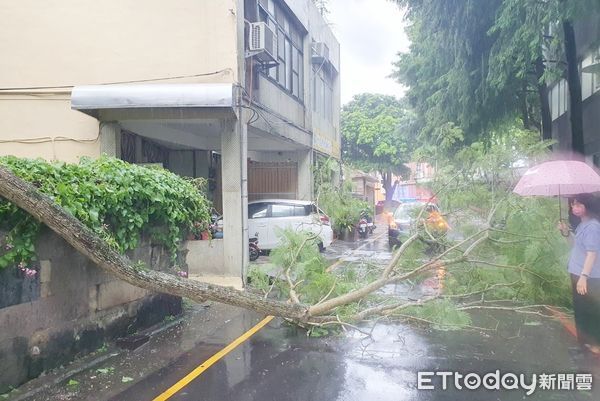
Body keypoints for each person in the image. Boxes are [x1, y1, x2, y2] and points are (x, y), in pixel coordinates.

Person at [558, 193, 600, 355]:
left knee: (591, 310)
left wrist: (584, 277)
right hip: (577, 273)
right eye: (573, 205)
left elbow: (592, 253)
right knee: (581, 310)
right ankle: (585, 345)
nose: (574, 208)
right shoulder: (583, 225)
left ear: (587, 206)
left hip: (589, 277)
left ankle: (595, 345)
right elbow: (575, 246)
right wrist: (566, 232)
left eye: (578, 205)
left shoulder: (593, 227)